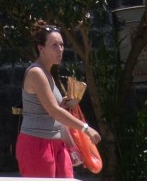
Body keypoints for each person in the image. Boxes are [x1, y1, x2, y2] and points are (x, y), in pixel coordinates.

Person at [16, 23, 97, 179]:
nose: (60, 49)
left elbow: (51, 108)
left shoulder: (48, 73)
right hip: (37, 143)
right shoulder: (36, 72)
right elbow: (53, 111)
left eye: (61, 45)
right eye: (54, 45)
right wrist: (85, 128)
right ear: (41, 48)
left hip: (57, 142)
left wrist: (64, 104)